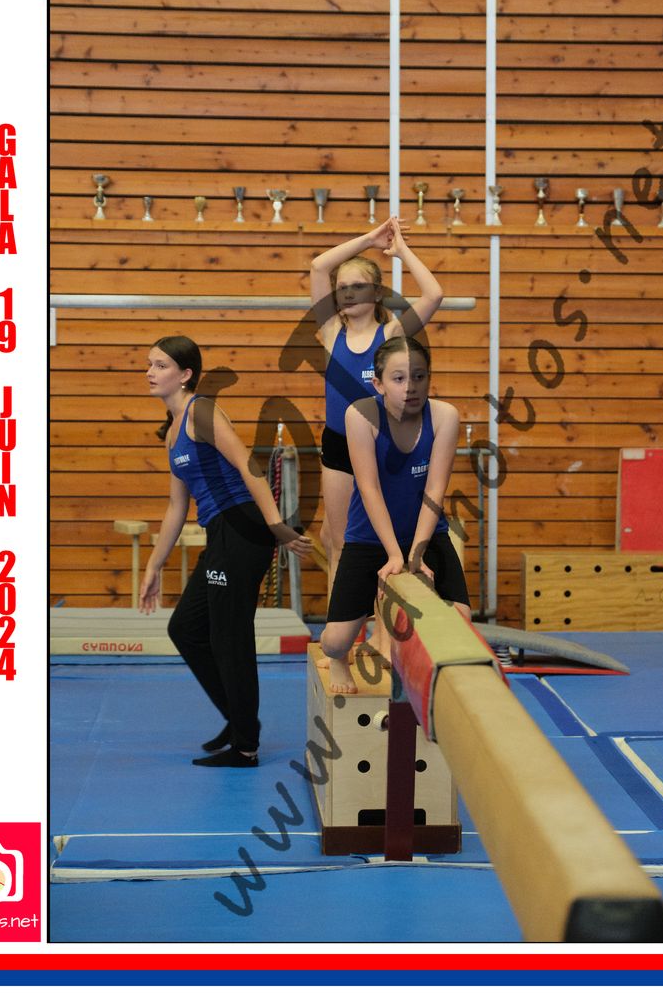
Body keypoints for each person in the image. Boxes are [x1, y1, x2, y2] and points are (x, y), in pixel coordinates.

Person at [138, 336, 312, 766]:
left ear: (185, 375)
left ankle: (245, 745)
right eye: (150, 364)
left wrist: (276, 525)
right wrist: (154, 566)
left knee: (229, 636)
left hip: (242, 527)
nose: (150, 372)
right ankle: (237, 719)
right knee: (186, 628)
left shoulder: (202, 412)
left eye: (160, 365)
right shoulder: (173, 432)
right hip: (220, 533)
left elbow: (249, 466)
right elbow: (177, 506)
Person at [310, 217, 443, 657]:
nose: (348, 294)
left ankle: (383, 637)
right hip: (338, 445)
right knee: (340, 543)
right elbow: (318, 266)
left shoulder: (390, 335)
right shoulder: (331, 332)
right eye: (342, 287)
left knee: (381, 544)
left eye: (358, 286)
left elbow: (434, 295)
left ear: (377, 293)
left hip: (381, 447)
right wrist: (369, 238)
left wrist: (400, 250)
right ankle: (343, 637)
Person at [319, 336, 471, 693]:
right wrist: (393, 554)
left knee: (461, 625)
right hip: (369, 536)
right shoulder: (360, 415)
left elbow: (435, 490)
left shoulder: (445, 416)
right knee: (335, 641)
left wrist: (416, 552)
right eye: (399, 378)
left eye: (419, 377)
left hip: (426, 533)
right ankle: (340, 658)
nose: (410, 387)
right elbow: (369, 487)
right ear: (378, 383)